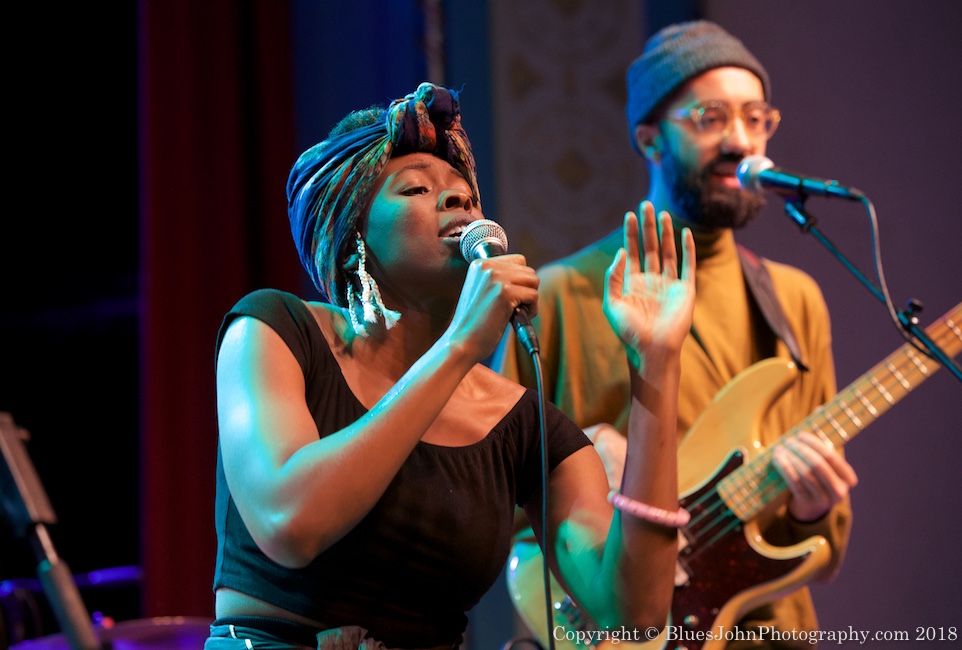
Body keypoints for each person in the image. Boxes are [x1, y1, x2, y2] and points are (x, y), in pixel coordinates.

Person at [206, 81, 698, 650]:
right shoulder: (274, 330)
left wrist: (657, 364)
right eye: (416, 188)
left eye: (466, 195)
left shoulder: (521, 422)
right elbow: (289, 523)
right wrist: (461, 345)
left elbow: (633, 612)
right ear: (351, 235)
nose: (458, 202)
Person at [494, 20, 858, 648]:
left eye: (756, 119)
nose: (741, 141)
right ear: (650, 139)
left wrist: (813, 508)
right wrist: (586, 468)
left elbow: (824, 542)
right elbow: (493, 491)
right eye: (710, 118)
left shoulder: (796, 300)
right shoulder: (559, 295)